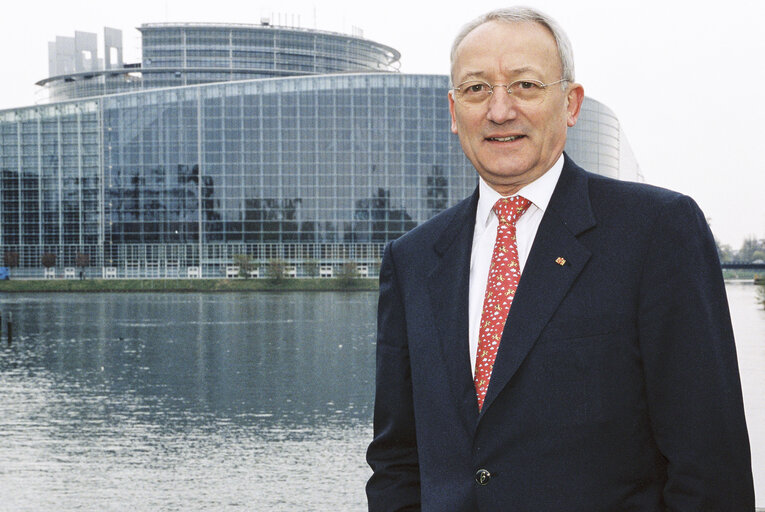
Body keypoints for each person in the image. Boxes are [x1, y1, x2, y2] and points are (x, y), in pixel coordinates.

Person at [366, 6, 754, 512]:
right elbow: (397, 460)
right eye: (477, 88)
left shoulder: (657, 231)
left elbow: (709, 468)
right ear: (453, 111)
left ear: (570, 103)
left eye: (525, 85)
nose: (499, 110)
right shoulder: (412, 258)